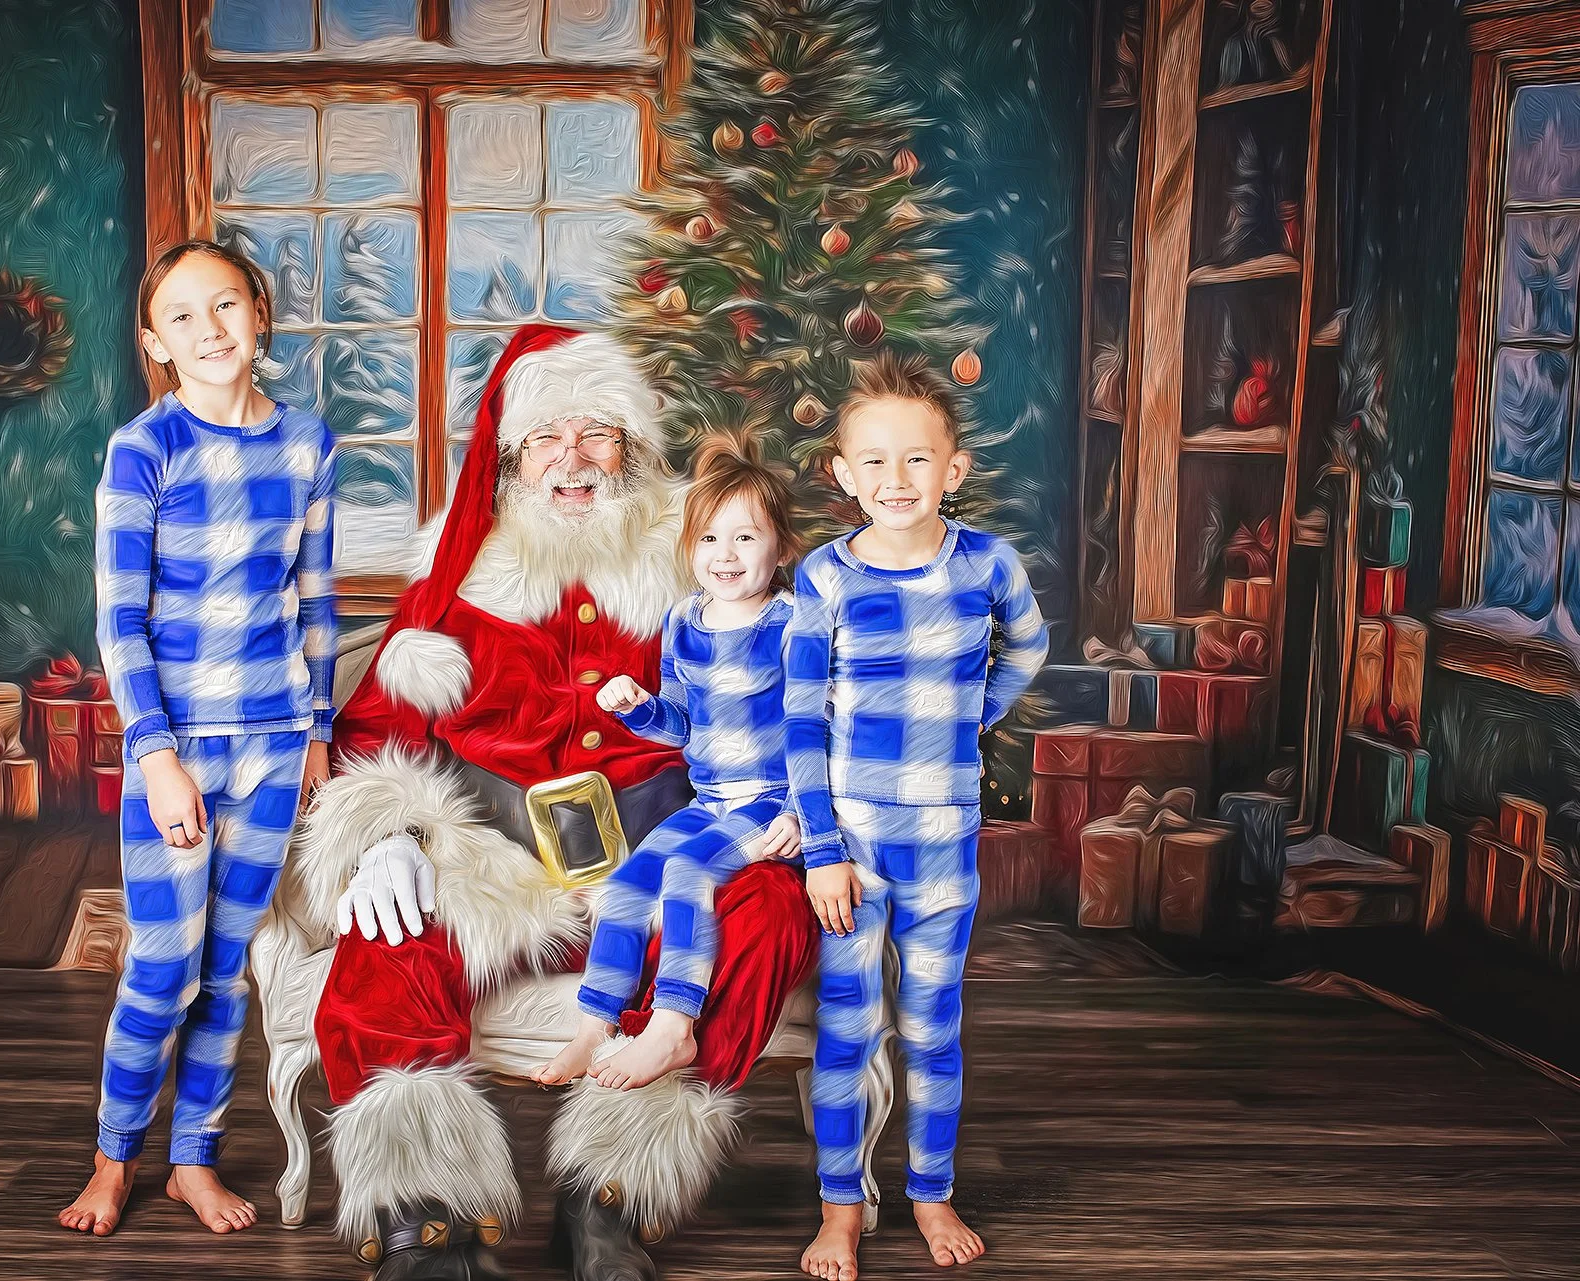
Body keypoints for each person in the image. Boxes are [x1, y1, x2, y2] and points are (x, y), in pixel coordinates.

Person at [253, 325, 816, 1281]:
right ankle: (426, 1226)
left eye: (596, 432)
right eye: (547, 436)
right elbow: (373, 734)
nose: (572, 457)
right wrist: (385, 834)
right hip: (496, 858)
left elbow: (792, 691)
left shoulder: (698, 556)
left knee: (766, 910)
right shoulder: (460, 580)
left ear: (631, 446)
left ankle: (611, 1199)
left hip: (665, 846)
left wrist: (791, 805)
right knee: (387, 936)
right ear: (513, 457)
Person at [58, 239, 336, 1238]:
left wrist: (317, 730)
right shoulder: (145, 449)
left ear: (259, 312)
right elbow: (118, 620)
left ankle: (194, 1161)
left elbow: (316, 601)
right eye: (183, 315)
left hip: (275, 744)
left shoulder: (308, 443)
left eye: (225, 304)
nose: (210, 328)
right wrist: (156, 756)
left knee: (227, 970)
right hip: (176, 752)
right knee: (163, 969)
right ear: (155, 344)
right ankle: (113, 1159)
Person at [785, 352, 1048, 1280]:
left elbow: (1028, 645)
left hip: (944, 846)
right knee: (849, 1031)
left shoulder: (987, 563)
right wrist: (822, 850)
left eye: (917, 459)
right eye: (874, 461)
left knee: (933, 1029)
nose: (895, 479)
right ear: (843, 473)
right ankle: (840, 1209)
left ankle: (932, 1192)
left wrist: (975, 714)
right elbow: (801, 721)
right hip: (852, 850)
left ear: (953, 468)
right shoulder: (825, 577)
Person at [535, 434, 809, 1093]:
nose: (725, 555)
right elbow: (680, 725)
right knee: (630, 882)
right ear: (689, 547)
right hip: (711, 802)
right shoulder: (684, 622)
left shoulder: (793, 624)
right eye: (709, 539)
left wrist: (803, 812)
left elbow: (818, 731)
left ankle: (673, 1024)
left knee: (687, 872)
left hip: (770, 801)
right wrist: (639, 709)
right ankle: (595, 1025)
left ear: (781, 548)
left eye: (745, 538)